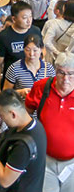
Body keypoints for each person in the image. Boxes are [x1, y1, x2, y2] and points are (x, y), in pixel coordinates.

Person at [0, 89, 47, 192]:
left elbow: (5, 180)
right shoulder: (34, 124)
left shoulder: (23, 146)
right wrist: (0, 136)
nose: (1, 118)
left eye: (1, 115)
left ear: (13, 114)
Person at [25, 52, 74, 192]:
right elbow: (26, 115)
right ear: (55, 70)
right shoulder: (42, 87)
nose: (65, 78)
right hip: (45, 160)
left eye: (71, 74)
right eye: (61, 72)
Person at [0, 1, 41, 94]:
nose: (29, 21)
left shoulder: (36, 31)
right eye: (24, 18)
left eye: (30, 16)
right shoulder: (4, 36)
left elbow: (42, 50)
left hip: (33, 81)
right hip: (11, 83)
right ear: (14, 19)